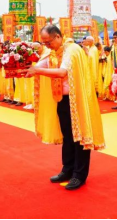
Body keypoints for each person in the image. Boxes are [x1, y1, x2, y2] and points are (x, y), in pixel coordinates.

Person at [26, 25, 105, 191]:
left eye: (48, 42)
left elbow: (62, 72)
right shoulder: (51, 52)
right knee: (67, 137)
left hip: (78, 99)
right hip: (62, 99)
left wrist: (37, 70)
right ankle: (67, 169)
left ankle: (79, 174)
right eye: (44, 42)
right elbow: (39, 63)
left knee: (80, 137)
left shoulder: (72, 49)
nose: (46, 45)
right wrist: (23, 66)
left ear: (57, 37)